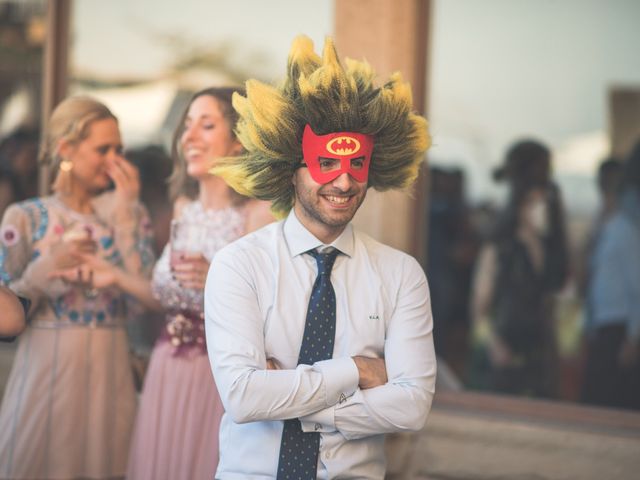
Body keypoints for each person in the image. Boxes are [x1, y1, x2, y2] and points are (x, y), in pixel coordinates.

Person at [205, 36, 436, 479]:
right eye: (325, 164)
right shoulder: (239, 265)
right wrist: (358, 370)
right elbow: (243, 398)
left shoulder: (401, 275)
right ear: (291, 169)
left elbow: (411, 408)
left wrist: (288, 394)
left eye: (357, 166)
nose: (344, 183)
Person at [0, 96, 155, 479]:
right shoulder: (26, 217)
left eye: (119, 149)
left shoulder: (130, 213)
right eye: (103, 149)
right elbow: (6, 309)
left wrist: (124, 219)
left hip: (111, 370)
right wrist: (46, 270)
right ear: (66, 149)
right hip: (48, 370)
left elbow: (147, 299)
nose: (114, 160)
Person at [124, 86, 274, 480]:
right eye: (187, 126)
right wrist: (110, 274)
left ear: (239, 142)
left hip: (219, 377)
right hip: (165, 368)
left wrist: (219, 282)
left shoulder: (259, 216)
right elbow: (162, 296)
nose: (188, 137)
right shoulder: (183, 209)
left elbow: (278, 314)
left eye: (206, 125)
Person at [470, 139, 569, 398]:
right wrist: (494, 344)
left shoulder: (550, 249)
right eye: (535, 200)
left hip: (540, 358)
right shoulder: (500, 245)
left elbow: (556, 299)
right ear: (522, 200)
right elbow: (479, 309)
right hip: (504, 360)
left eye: (545, 201)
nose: (541, 207)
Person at [582, 141, 640, 410]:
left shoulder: (624, 229)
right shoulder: (605, 226)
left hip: (619, 331)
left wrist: (633, 337)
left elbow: (637, 286)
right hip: (605, 328)